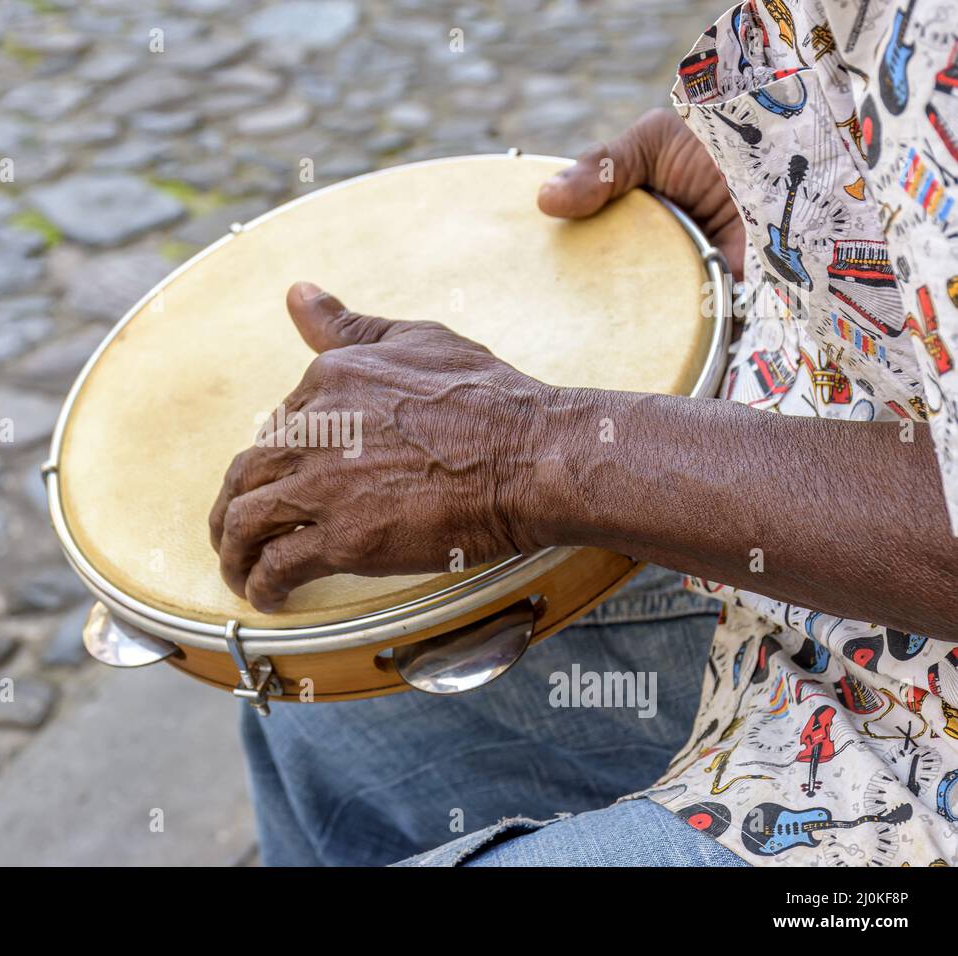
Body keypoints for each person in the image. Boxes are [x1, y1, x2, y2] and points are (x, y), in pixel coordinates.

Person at [213, 0, 958, 866]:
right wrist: (793, 195)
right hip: (856, 599)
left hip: (926, 749)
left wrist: (528, 452)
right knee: (327, 713)